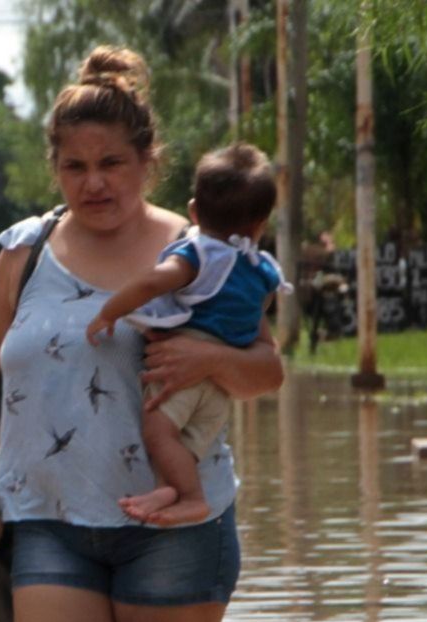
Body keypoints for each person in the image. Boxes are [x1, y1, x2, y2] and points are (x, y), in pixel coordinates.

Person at [0, 46, 284, 622]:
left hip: (173, 525)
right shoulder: (24, 253)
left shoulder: (200, 252)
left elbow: (266, 372)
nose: (94, 183)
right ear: (54, 168)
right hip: (48, 519)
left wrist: (209, 356)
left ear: (149, 161)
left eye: (111, 163)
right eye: (75, 166)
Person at [85, 143, 283, 526]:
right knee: (183, 444)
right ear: (260, 225)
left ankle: (190, 497)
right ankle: (169, 487)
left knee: (158, 434)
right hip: (220, 385)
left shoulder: (202, 254)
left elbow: (156, 281)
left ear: (193, 211)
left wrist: (110, 311)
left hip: (182, 369)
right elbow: (256, 332)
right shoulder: (262, 272)